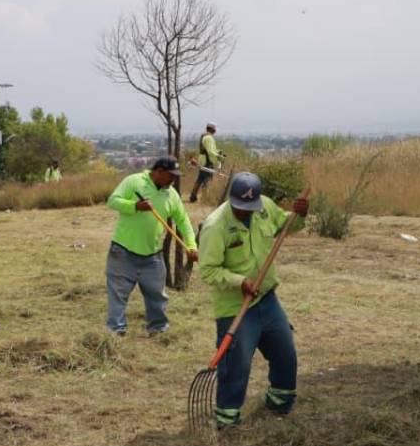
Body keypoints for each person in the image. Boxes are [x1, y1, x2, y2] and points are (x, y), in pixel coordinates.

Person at [198, 172, 309, 429]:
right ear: (231, 200)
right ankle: (227, 418)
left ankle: (280, 402)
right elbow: (208, 270)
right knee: (236, 365)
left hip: (267, 298)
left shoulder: (264, 207)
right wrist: (240, 282)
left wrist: (300, 215)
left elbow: (285, 227)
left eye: (249, 208)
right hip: (235, 306)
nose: (245, 213)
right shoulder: (215, 226)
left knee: (285, 352)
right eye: (240, 208)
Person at [104, 157, 198, 336]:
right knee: (118, 293)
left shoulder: (171, 194)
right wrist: (135, 206)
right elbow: (113, 201)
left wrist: (191, 246)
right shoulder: (134, 181)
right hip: (123, 251)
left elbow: (183, 221)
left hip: (153, 255)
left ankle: (158, 330)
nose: (173, 180)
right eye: (171, 176)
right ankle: (116, 331)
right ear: (159, 171)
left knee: (156, 294)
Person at [188, 122, 224, 202]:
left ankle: (193, 196)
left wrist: (218, 152)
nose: (215, 131)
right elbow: (210, 151)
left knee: (201, 179)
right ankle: (204, 197)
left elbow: (211, 150)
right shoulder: (208, 138)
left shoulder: (204, 136)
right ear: (212, 129)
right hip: (207, 161)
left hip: (203, 160)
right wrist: (219, 157)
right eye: (215, 129)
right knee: (206, 179)